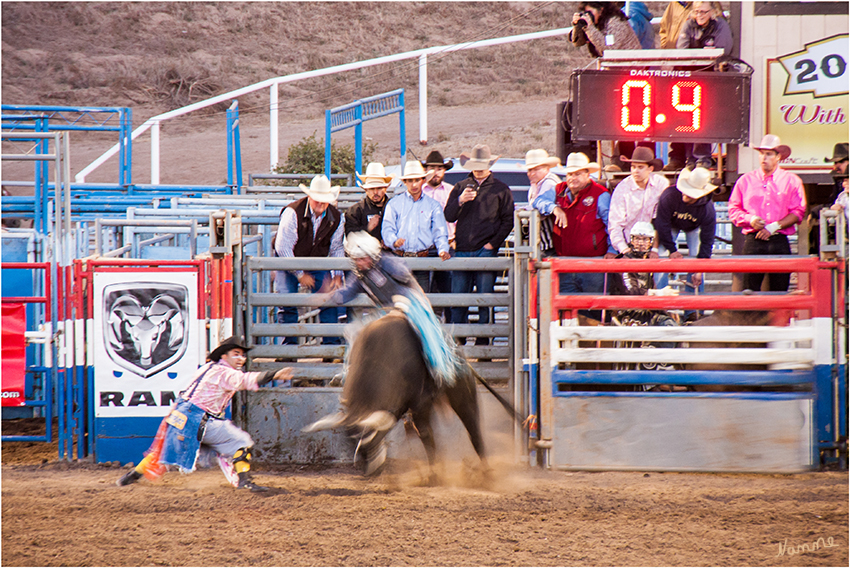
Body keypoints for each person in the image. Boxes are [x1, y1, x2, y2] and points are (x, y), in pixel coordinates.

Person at [117, 336, 293, 492]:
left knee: (165, 449)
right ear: (224, 356)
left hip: (179, 414)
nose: (241, 358)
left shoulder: (208, 367)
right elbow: (246, 380)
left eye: (242, 355)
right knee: (240, 442)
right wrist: (275, 374)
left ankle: (131, 476)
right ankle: (244, 481)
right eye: (236, 354)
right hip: (199, 419)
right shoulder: (226, 373)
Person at [324, 232, 462, 386]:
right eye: (356, 259)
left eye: (363, 258)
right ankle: (350, 371)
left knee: (424, 328)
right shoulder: (359, 276)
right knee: (355, 331)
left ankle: (440, 367)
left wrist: (396, 278)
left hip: (410, 302)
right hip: (385, 310)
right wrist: (327, 297)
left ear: (372, 256)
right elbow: (346, 293)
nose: (360, 263)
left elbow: (405, 273)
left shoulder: (387, 262)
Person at [444, 145, 515, 346]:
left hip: (485, 250)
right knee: (459, 300)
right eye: (476, 165)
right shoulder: (460, 187)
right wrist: (460, 201)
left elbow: (507, 221)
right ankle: (460, 342)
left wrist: (492, 245)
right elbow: (448, 216)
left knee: (485, 299)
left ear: (489, 165)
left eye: (482, 165)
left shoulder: (501, 189)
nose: (479, 169)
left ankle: (484, 345)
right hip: (463, 249)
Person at [728, 134, 806, 292]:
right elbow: (733, 208)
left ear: (778, 157)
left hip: (778, 238)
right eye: (762, 153)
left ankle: (777, 317)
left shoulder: (791, 181)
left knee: (780, 287)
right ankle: (751, 316)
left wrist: (775, 226)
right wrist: (750, 219)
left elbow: (799, 211)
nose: (764, 157)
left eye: (769, 153)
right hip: (754, 238)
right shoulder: (745, 180)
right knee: (750, 289)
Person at [274, 174, 344, 346]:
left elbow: (336, 247)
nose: (320, 203)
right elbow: (283, 248)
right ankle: (288, 349)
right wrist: (299, 274)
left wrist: (337, 274)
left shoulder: (337, 217)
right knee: (286, 301)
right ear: (309, 197)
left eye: (324, 200)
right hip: (288, 260)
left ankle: (331, 347)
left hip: (317, 261)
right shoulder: (292, 212)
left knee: (328, 298)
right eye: (317, 199)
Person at [533, 152, 612, 294]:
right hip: (564, 262)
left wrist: (612, 250)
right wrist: (554, 208)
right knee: (565, 307)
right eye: (570, 174)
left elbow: (610, 225)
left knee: (592, 307)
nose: (572, 178)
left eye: (577, 174)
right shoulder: (558, 190)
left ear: (587, 174)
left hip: (593, 263)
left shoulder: (600, 194)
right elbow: (537, 202)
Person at [653, 167, 717, 318]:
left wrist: (700, 268)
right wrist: (672, 249)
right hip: (671, 226)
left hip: (693, 228)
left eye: (689, 193)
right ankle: (662, 306)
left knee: (696, 265)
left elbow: (707, 240)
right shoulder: (669, 196)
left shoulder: (707, 210)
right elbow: (662, 224)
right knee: (661, 259)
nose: (685, 195)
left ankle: (693, 310)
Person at [381, 160, 451, 293]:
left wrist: (442, 249)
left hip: (421, 260)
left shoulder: (433, 205)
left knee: (421, 301)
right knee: (401, 302)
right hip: (399, 260)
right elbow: (387, 228)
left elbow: (440, 232)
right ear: (405, 182)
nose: (413, 184)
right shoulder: (394, 204)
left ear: (423, 180)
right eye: (410, 180)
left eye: (417, 180)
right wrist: (393, 241)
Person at [608, 146, 669, 258]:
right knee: (628, 274)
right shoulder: (622, 188)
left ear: (650, 169)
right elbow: (615, 223)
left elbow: (660, 219)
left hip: (655, 241)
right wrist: (624, 250)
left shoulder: (661, 184)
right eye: (633, 167)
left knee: (660, 271)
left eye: (640, 167)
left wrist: (654, 249)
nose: (636, 171)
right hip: (629, 243)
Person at [421, 150, 456, 322]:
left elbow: (458, 217)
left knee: (449, 292)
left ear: (444, 171)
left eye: (439, 168)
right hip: (423, 248)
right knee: (423, 292)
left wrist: (454, 239)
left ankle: (451, 333)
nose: (435, 172)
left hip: (447, 245)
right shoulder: (417, 191)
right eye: (431, 168)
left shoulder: (452, 191)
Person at [523, 149, 562, 255]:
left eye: (536, 169)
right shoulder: (536, 184)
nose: (532, 173)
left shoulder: (550, 183)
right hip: (543, 241)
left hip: (550, 241)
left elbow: (542, 211)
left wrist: (525, 211)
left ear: (547, 168)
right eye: (529, 170)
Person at [570, 1, 642, 57]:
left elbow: (609, 49)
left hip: (631, 66)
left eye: (589, 12)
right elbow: (578, 43)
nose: (587, 15)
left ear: (601, 10)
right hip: (613, 65)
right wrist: (577, 25)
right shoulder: (596, 24)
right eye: (585, 13)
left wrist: (590, 28)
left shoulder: (616, 22)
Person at [345, 162, 393, 242]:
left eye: (379, 188)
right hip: (364, 253)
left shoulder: (394, 208)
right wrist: (367, 228)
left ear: (385, 189)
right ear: (366, 190)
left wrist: (391, 243)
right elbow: (349, 235)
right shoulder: (355, 211)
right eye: (371, 188)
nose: (375, 192)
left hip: (392, 252)